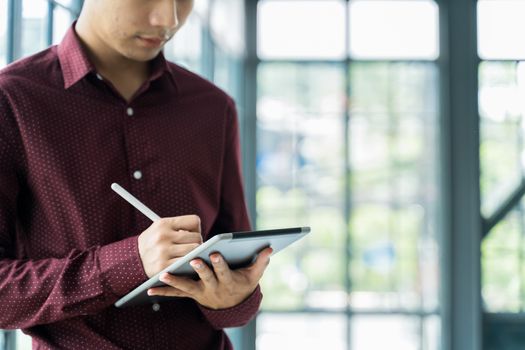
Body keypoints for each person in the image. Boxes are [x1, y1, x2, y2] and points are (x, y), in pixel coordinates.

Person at [0, 0, 273, 348]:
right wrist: (129, 262)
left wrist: (232, 300)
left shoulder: (213, 107)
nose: (169, 20)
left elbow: (234, 276)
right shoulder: (12, 100)